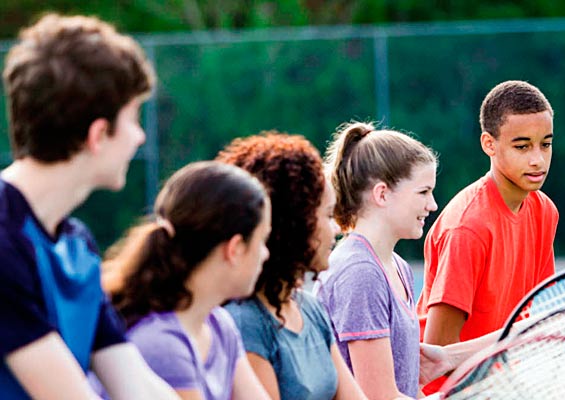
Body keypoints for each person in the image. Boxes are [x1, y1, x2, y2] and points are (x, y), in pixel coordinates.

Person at [0, 13, 178, 399]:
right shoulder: (4, 244)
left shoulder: (76, 243)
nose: (140, 136)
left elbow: (135, 384)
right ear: (98, 134)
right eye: (133, 118)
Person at [102, 161, 273, 400]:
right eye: (262, 240)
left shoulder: (218, 325)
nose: (266, 254)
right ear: (234, 248)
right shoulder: (162, 344)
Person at [218, 132, 365, 400]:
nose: (335, 229)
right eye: (328, 215)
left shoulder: (309, 308)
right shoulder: (246, 321)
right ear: (295, 224)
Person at [416, 80, 559, 354]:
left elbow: (525, 317)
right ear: (489, 144)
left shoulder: (545, 211)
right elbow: (437, 353)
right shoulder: (468, 228)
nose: (538, 160)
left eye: (546, 144)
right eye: (522, 146)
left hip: (503, 379)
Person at [316, 121, 439, 399]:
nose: (432, 205)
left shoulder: (398, 267)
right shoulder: (360, 273)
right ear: (382, 194)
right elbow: (379, 396)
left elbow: (407, 389)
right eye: (423, 192)